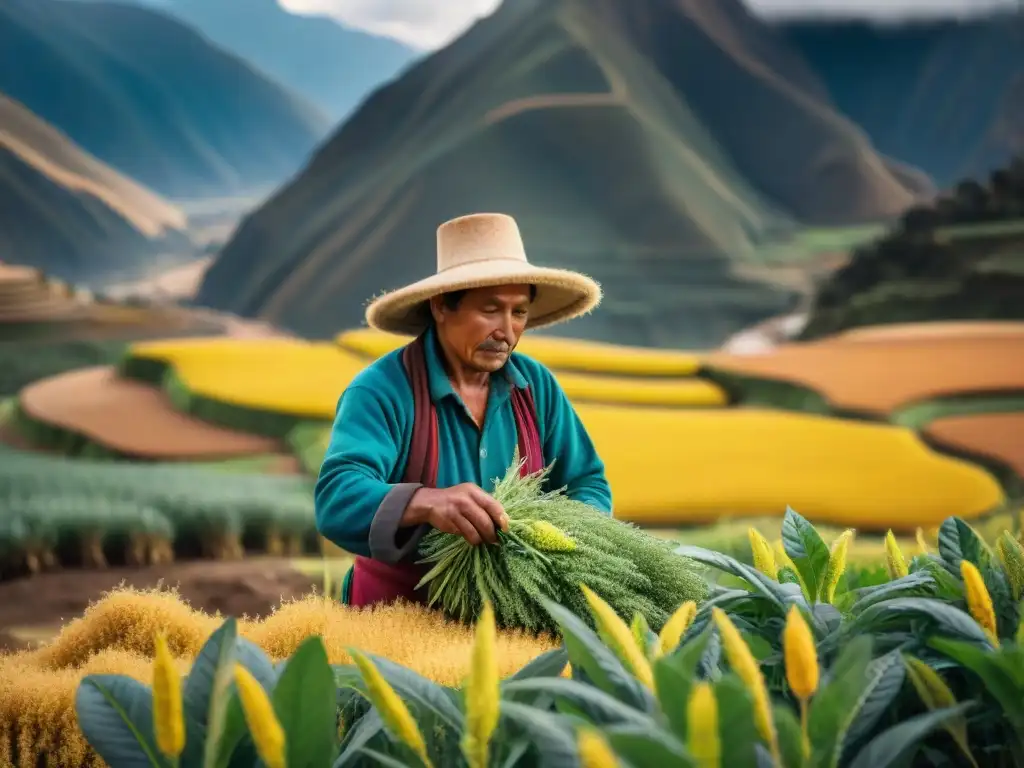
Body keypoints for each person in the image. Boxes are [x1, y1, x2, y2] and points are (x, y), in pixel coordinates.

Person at [315, 212, 613, 607]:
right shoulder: (382, 391)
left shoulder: (536, 387)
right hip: (399, 619)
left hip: (513, 615)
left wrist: (564, 535)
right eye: (490, 310)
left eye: (519, 312)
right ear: (441, 306)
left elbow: (587, 481)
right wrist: (427, 502)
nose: (505, 331)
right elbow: (337, 497)